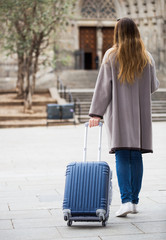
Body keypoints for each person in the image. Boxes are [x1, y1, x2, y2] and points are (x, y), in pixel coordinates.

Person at [89, 17, 159, 217]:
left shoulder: (111, 55)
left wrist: (96, 113)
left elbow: (104, 88)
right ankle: (134, 202)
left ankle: (126, 201)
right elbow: (153, 86)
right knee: (135, 156)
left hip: (119, 115)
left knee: (122, 155)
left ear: (117, 32)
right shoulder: (147, 56)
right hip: (139, 116)